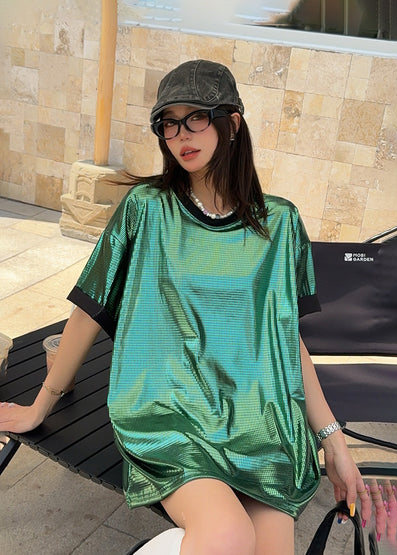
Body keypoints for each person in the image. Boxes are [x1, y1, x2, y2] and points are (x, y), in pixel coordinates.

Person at [0, 59, 374, 554]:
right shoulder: (147, 208)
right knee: (228, 535)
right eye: (168, 123)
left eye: (195, 117)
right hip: (170, 411)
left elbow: (285, 340)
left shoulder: (280, 223)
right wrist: (40, 405)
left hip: (259, 419)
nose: (180, 135)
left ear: (231, 123)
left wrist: (334, 441)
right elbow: (90, 308)